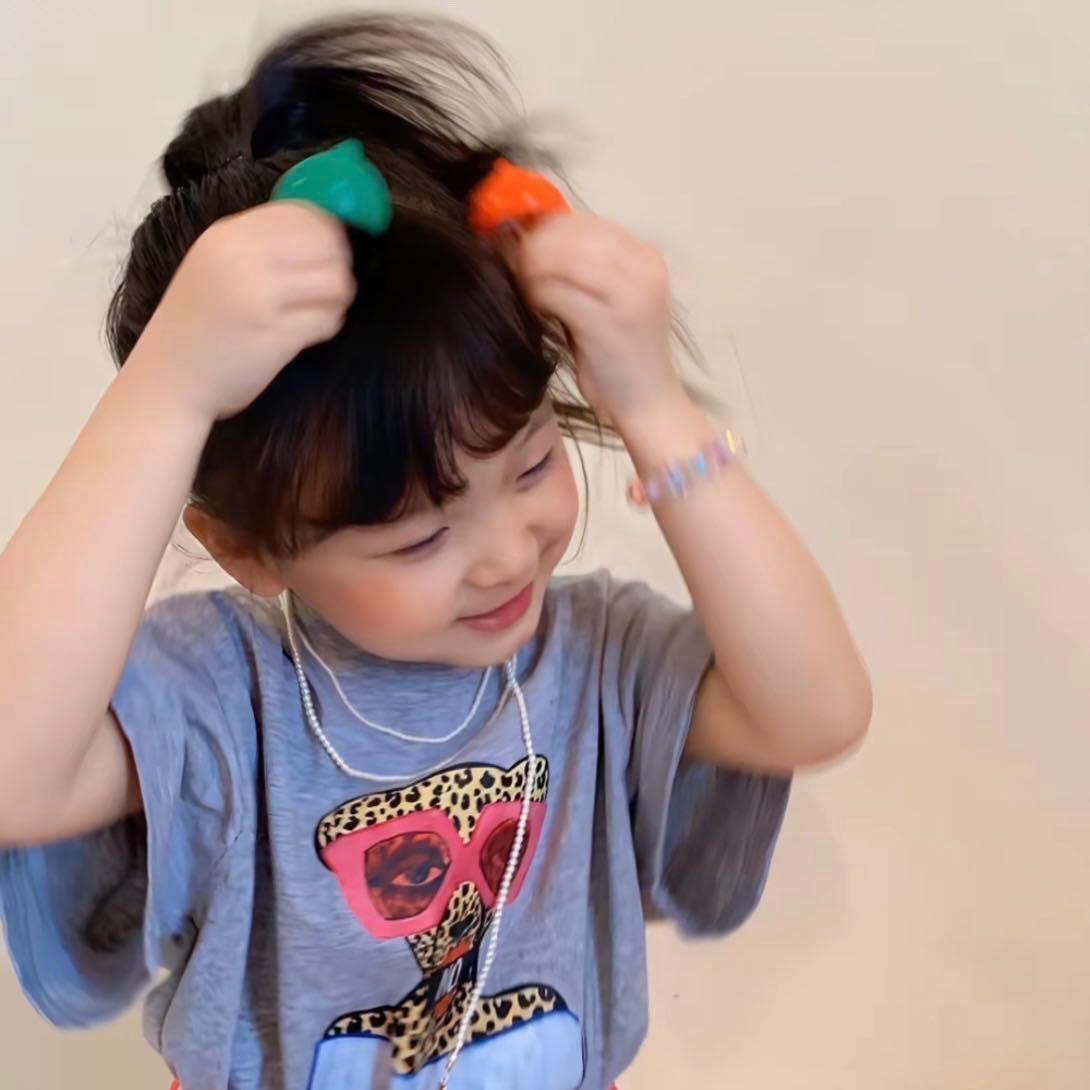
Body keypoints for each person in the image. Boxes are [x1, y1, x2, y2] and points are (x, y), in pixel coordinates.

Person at [0, 13, 870, 1090]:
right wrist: (167, 392)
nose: (505, 555)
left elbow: (818, 711)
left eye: (534, 464)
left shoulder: (594, 661)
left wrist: (654, 402)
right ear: (245, 546)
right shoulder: (224, 694)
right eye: (417, 536)